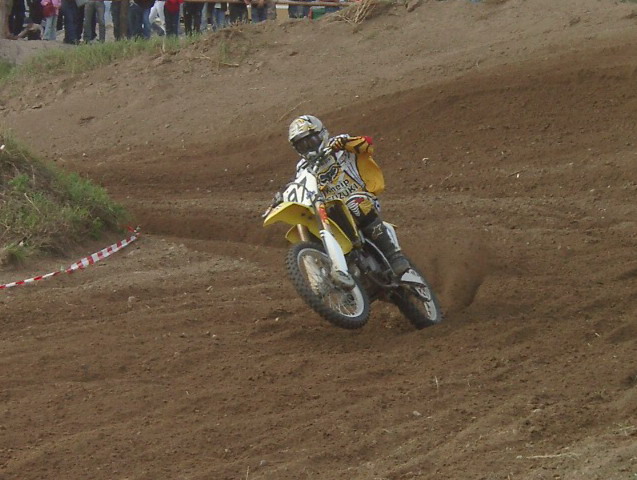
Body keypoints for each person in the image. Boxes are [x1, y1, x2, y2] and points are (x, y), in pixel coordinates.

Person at [281, 115, 411, 276]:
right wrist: (282, 198)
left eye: (311, 140)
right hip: (331, 210)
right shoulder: (302, 167)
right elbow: (300, 186)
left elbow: (367, 144)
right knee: (310, 224)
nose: (308, 147)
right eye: (302, 145)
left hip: (359, 197)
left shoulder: (339, 145)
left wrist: (345, 143)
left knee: (354, 203)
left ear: (321, 133)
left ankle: (394, 256)